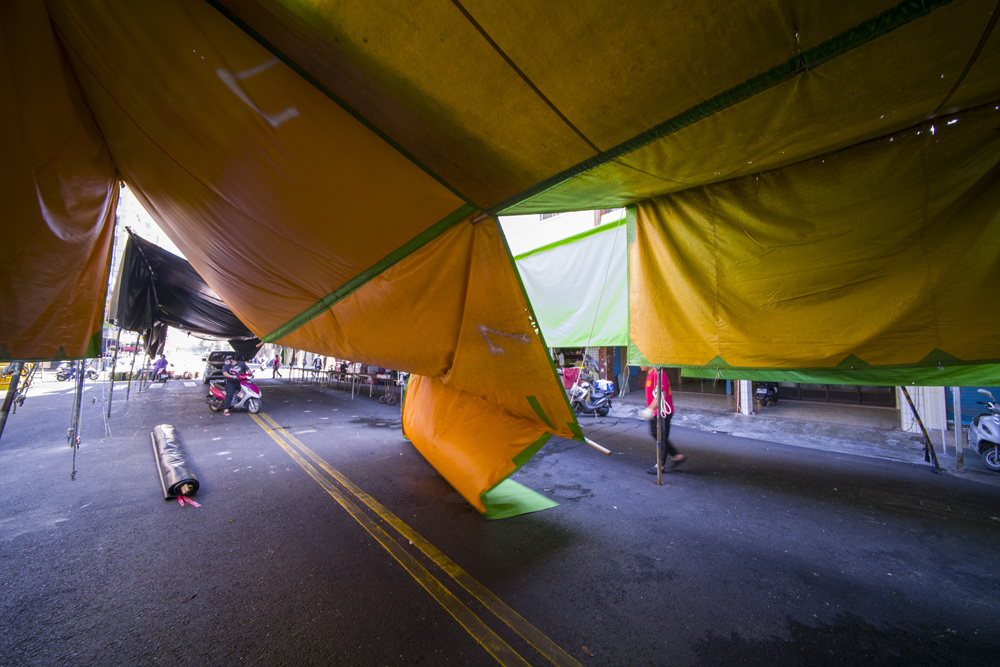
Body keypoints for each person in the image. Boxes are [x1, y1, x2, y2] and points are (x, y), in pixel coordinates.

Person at [641, 366, 685, 474]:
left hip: (663, 412)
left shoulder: (658, 374)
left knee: (661, 437)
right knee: (655, 433)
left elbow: (661, 395)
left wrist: (649, 409)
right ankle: (676, 456)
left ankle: (660, 465)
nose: (640, 365)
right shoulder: (650, 374)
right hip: (655, 412)